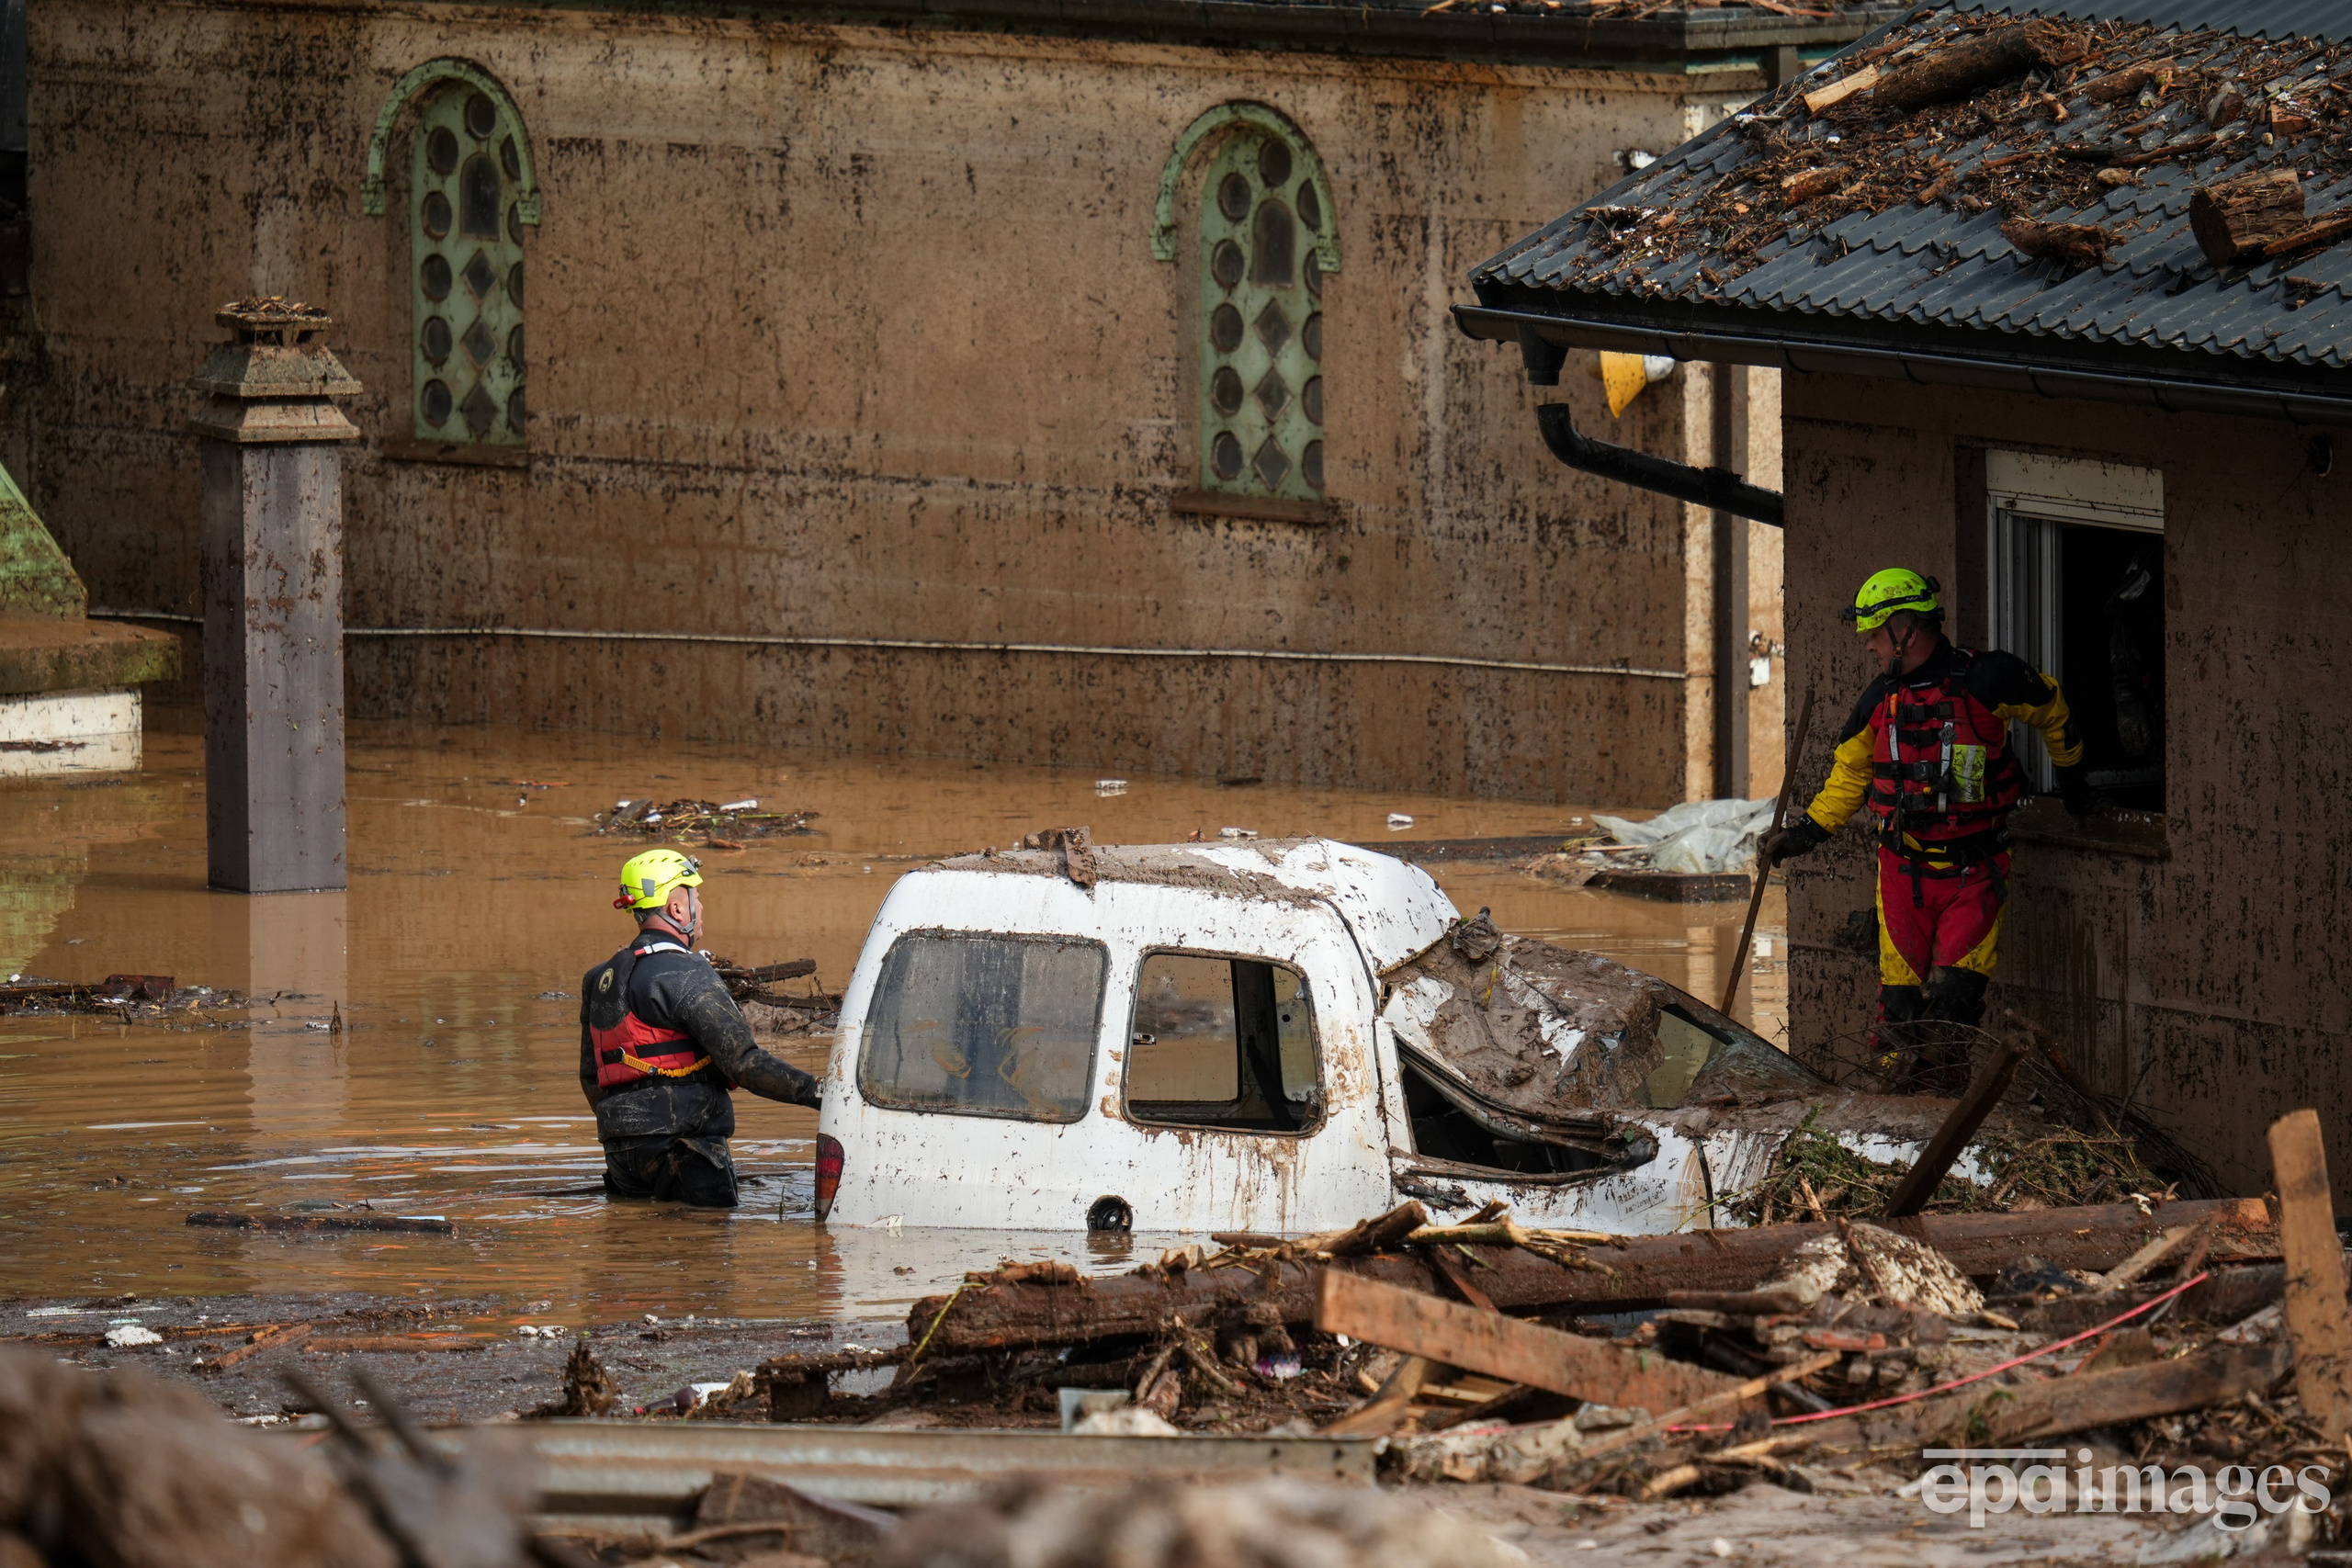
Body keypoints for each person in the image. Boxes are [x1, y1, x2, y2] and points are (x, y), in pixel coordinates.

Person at [1765, 569, 2093, 1093]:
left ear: (1905, 629)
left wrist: (2073, 779)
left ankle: (1943, 1115)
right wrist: (1804, 833)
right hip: (1902, 871)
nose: (1869, 647)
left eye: (1873, 635)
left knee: (1952, 1008)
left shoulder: (1990, 679)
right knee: (1898, 1019)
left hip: (1975, 871)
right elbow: (1849, 777)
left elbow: (2055, 712)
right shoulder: (1878, 702)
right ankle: (1893, 1113)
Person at [579, 848, 821, 1206]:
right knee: (708, 1249)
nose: (701, 906)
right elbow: (744, 1063)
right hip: (687, 1147)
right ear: (677, 909)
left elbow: (591, 1077)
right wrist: (821, 1094)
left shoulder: (598, 979)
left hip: (621, 1152)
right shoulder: (684, 970)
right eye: (697, 896)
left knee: (634, 1246)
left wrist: (628, 1126)